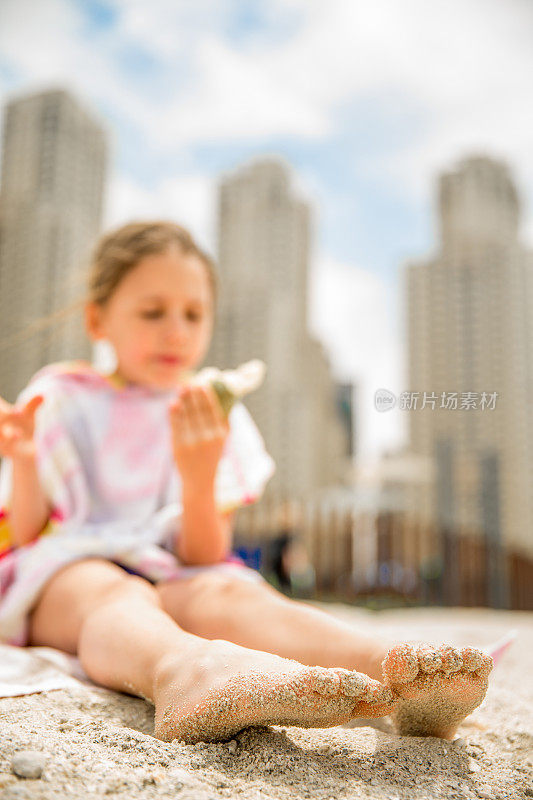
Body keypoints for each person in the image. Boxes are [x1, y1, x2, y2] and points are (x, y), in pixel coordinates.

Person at [0, 221, 493, 744]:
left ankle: (389, 668)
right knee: (108, 590)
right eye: (153, 312)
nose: (177, 332)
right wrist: (26, 460)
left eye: (194, 315)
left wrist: (198, 475)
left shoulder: (211, 409)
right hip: (66, 577)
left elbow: (203, 554)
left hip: (174, 572)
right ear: (98, 319)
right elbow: (27, 536)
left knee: (232, 597)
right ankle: (185, 670)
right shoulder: (63, 397)